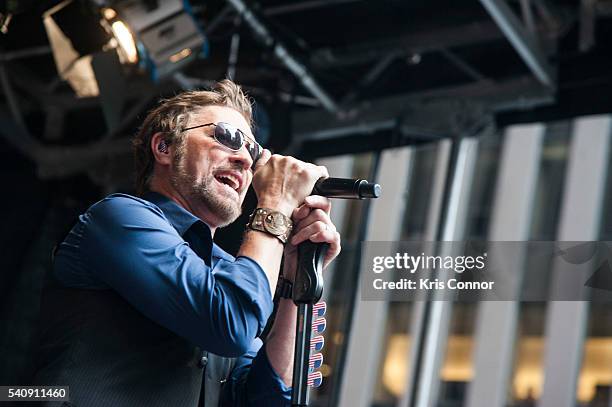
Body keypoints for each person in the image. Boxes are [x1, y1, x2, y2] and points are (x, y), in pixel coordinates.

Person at [32, 79, 341, 406]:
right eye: (227, 137)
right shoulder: (119, 218)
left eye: (252, 151)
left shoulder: (228, 273)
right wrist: (276, 205)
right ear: (164, 147)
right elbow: (230, 324)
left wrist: (296, 282)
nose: (245, 160)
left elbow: (267, 400)